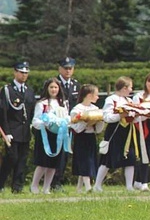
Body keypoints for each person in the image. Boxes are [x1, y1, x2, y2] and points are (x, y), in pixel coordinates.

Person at [94, 77, 139, 192]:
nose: (131, 90)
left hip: (127, 132)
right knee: (107, 158)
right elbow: (106, 117)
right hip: (115, 131)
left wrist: (136, 116)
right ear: (124, 88)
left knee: (130, 158)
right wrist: (120, 116)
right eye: (130, 87)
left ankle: (129, 186)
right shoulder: (111, 99)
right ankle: (97, 185)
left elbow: (133, 116)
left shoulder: (129, 101)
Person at [29, 78, 71, 194]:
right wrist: (45, 123)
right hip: (45, 136)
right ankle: (34, 185)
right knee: (43, 162)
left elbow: (66, 117)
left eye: (56, 87)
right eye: (51, 87)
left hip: (58, 135)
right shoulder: (41, 103)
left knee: (54, 163)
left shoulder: (63, 102)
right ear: (47, 88)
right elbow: (35, 121)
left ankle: (46, 187)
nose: (54, 90)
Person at [0, 61, 36, 194]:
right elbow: (3, 112)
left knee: (22, 160)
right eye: (21, 72)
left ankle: (17, 187)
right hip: (12, 131)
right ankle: (1, 183)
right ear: (15, 72)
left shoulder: (29, 91)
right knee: (11, 158)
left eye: (26, 73)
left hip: (24, 132)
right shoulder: (7, 90)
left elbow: (31, 111)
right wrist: (6, 132)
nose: (24, 75)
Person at [51, 57, 81, 190]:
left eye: (70, 68)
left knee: (65, 154)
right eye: (66, 68)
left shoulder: (75, 84)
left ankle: (58, 180)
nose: (68, 71)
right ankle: (52, 181)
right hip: (57, 125)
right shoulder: (54, 83)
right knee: (56, 153)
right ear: (60, 69)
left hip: (70, 124)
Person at [69, 84, 104, 193]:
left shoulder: (95, 109)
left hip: (91, 137)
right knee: (84, 161)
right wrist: (86, 121)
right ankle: (88, 187)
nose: (98, 97)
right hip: (81, 138)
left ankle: (79, 188)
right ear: (89, 95)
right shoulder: (77, 109)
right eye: (96, 95)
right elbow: (76, 128)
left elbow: (98, 130)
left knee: (90, 160)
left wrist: (99, 121)